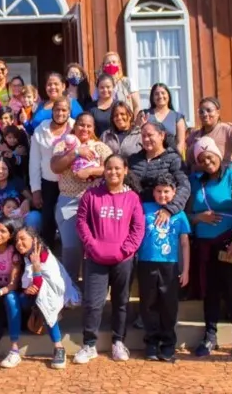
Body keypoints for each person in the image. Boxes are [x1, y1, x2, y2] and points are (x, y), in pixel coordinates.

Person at [73, 154, 145, 364]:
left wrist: (126, 250)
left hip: (123, 259)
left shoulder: (132, 198)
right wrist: (92, 245)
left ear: (125, 170)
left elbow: (138, 228)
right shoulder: (91, 195)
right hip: (95, 258)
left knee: (121, 302)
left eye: (117, 168)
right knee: (93, 303)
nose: (113, 172)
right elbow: (81, 222)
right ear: (103, 171)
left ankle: (118, 342)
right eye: (109, 168)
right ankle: (89, 345)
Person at [187, 137, 232, 358]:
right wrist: (199, 218)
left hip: (229, 242)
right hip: (204, 246)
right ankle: (210, 336)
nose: (206, 161)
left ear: (218, 155)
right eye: (201, 159)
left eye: (209, 156)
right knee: (210, 291)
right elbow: (186, 214)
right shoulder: (195, 181)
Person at [51, 113, 113, 283]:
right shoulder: (63, 145)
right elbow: (55, 166)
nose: (84, 129)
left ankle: (91, 292)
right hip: (69, 202)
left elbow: (115, 168)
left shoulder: (101, 147)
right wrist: (77, 152)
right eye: (81, 125)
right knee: (71, 249)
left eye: (89, 126)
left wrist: (91, 171)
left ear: (93, 129)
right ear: (75, 125)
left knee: (93, 249)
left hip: (96, 203)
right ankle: (70, 293)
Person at [138, 174, 192, 362]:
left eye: (166, 192)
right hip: (146, 262)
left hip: (170, 265)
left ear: (174, 192)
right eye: (159, 191)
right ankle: (151, 342)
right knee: (148, 304)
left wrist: (185, 270)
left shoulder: (179, 213)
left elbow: (184, 243)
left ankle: (168, 344)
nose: (162, 195)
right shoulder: (144, 209)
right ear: (153, 193)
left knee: (169, 306)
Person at [7, 226, 70, 370]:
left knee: (44, 299)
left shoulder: (43, 254)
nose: (19, 243)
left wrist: (36, 268)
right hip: (30, 297)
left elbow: (42, 284)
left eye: (23, 239)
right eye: (17, 240)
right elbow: (26, 285)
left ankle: (59, 348)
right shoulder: (23, 257)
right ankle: (14, 350)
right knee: (11, 297)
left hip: (48, 296)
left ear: (34, 240)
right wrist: (27, 289)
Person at [29, 97, 75, 251]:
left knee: (68, 221)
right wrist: (36, 190)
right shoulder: (40, 131)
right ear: (52, 111)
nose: (60, 113)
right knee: (47, 220)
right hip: (48, 182)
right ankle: (48, 256)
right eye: (57, 109)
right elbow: (34, 162)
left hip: (71, 183)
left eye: (64, 110)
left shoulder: (76, 127)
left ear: (69, 112)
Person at [128, 122, 191, 227]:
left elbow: (184, 186)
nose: (146, 139)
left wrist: (169, 210)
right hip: (135, 214)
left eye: (150, 135)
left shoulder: (173, 159)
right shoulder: (134, 159)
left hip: (161, 216)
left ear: (162, 135)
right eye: (143, 136)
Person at [185, 97, 232, 174]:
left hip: (221, 181)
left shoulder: (227, 130)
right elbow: (188, 163)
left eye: (209, 110)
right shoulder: (193, 135)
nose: (205, 114)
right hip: (197, 182)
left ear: (218, 112)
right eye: (201, 112)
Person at [145, 83, 187, 157]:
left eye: (163, 93)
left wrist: (175, 159)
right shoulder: (145, 114)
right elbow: (138, 137)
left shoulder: (178, 117)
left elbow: (180, 143)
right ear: (152, 97)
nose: (160, 96)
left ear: (168, 95)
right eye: (156, 94)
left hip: (171, 158)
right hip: (149, 158)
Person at [0, 107, 30, 178]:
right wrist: (4, 154)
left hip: (21, 171)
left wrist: (12, 154)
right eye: (0, 118)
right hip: (3, 174)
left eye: (6, 118)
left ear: (12, 119)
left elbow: (28, 156)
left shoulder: (21, 133)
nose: (3, 121)